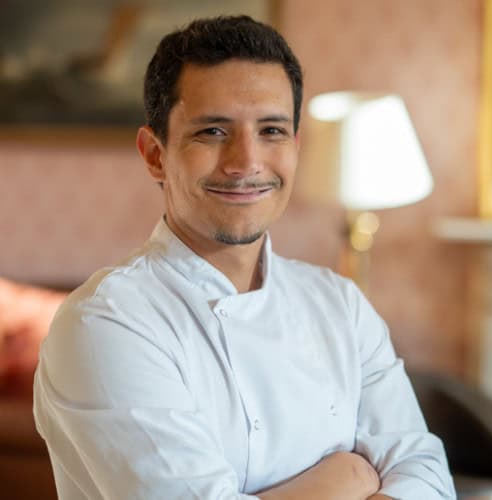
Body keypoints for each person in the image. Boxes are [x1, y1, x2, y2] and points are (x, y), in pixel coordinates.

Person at [33, 15, 456, 500]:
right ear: (154, 154)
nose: (246, 162)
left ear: (295, 148)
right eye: (212, 131)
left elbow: (426, 474)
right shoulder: (106, 324)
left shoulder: (340, 304)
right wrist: (349, 478)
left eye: (272, 130)